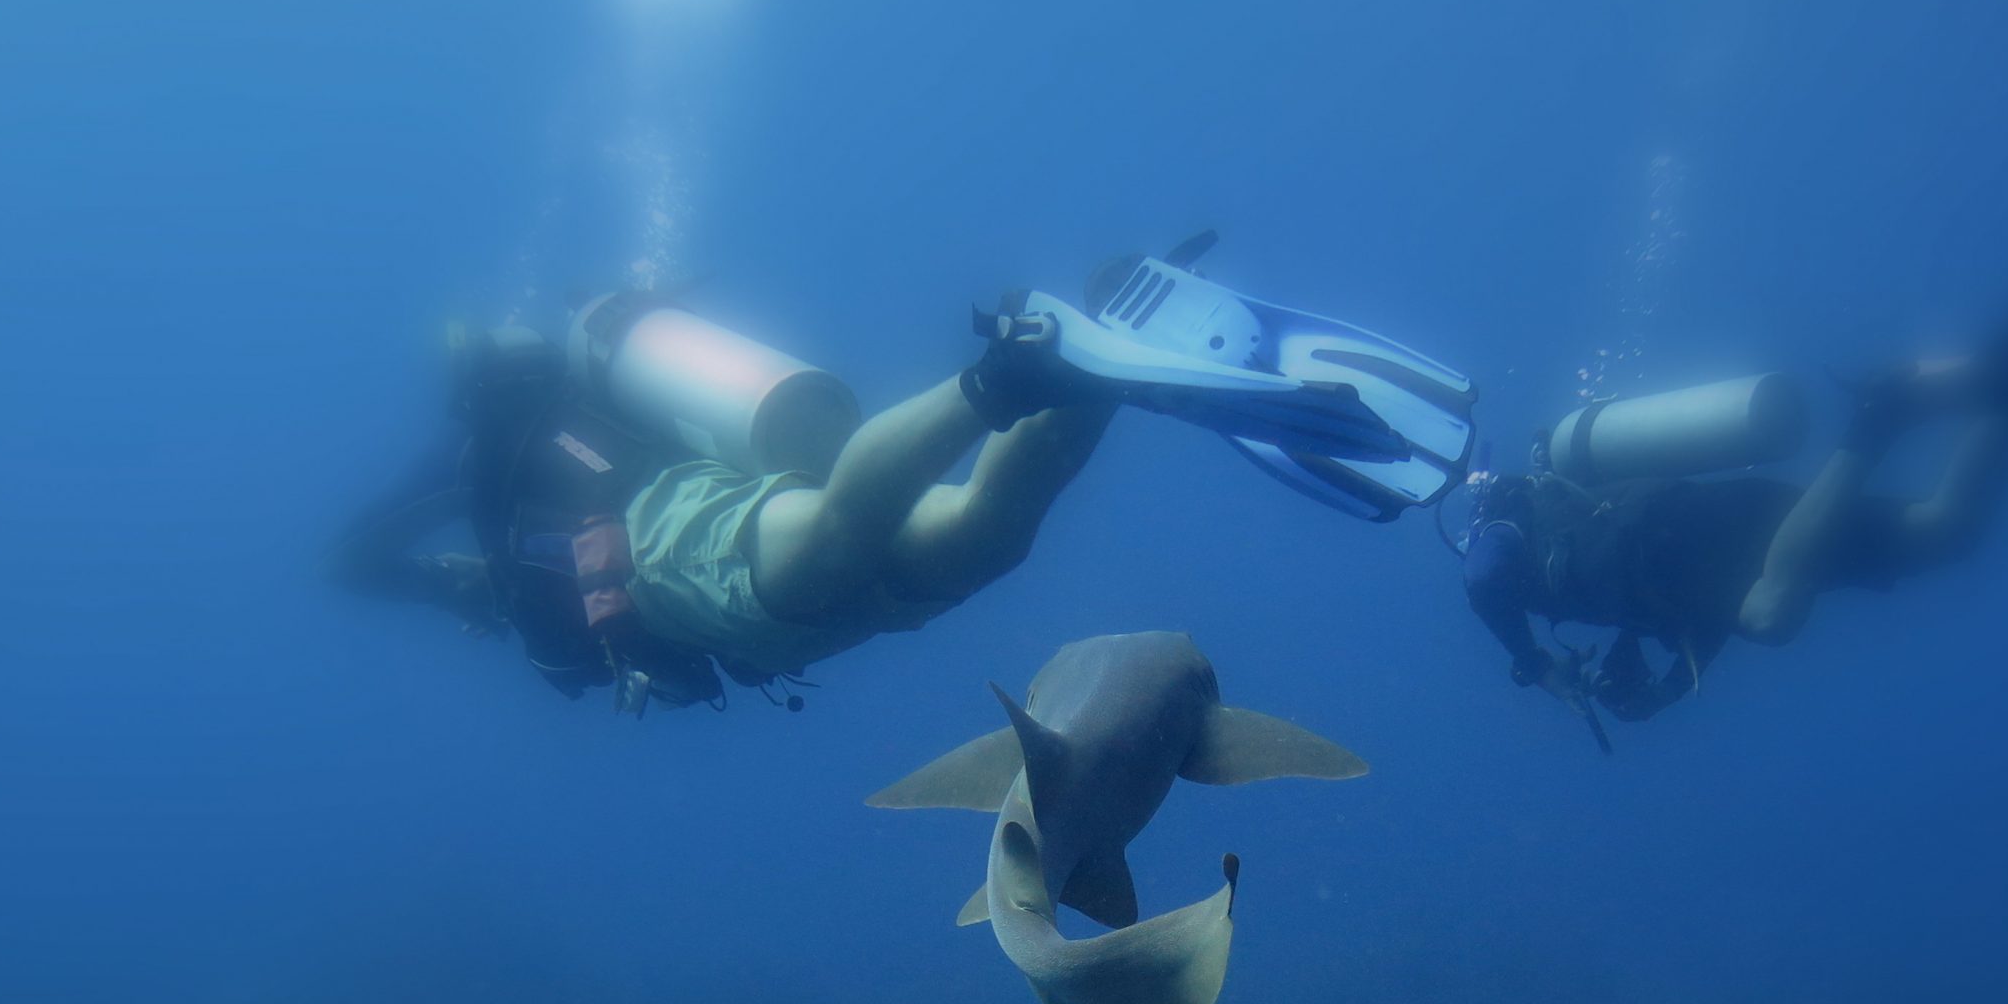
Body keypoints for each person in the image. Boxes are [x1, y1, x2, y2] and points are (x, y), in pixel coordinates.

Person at [332, 242, 1471, 711]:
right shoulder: (546, 441)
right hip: (736, 588)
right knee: (984, 536)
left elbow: (355, 560)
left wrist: (450, 573)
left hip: (675, 544)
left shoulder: (486, 462)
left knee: (833, 543)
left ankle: (1006, 375)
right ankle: (1083, 372)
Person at [1461, 251, 2008, 738]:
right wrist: (1661, 688)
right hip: (1729, 536)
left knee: (1771, 616)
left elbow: (1483, 579)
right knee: (1945, 531)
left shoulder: (1502, 531)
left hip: (1696, 529)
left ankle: (1876, 421)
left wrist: (1535, 666)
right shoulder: (1580, 573)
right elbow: (1701, 609)